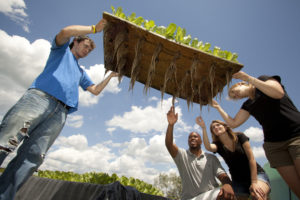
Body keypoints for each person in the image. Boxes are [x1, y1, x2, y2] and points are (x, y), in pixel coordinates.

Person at [0, 18, 118, 200]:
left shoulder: (81, 73)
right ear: (76, 42)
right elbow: (64, 32)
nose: (87, 51)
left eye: (89, 50)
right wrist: (93, 29)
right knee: (7, 140)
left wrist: (110, 76)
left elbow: (94, 90)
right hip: (39, 99)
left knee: (33, 157)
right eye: (86, 46)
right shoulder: (61, 52)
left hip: (60, 113)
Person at [211, 71, 300, 198]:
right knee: (297, 188)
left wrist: (249, 78)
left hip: (296, 136)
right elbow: (234, 123)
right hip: (274, 146)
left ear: (241, 83)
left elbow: (278, 93)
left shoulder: (263, 81)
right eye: (234, 97)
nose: (235, 95)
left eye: (234, 92)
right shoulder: (248, 104)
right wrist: (218, 108)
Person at [165, 106, 236, 200]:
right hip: (190, 198)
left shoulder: (211, 158)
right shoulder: (182, 155)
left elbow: (222, 175)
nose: (192, 138)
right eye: (190, 137)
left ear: (201, 141)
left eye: (195, 136)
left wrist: (227, 185)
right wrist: (171, 125)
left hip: (211, 196)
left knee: (225, 193)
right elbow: (169, 144)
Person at [196, 116, 271, 200]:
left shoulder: (240, 136)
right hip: (238, 181)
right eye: (213, 128)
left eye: (218, 125)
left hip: (256, 175)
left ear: (225, 126)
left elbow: (251, 159)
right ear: (213, 132)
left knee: (257, 195)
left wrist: (254, 182)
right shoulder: (218, 145)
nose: (216, 127)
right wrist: (203, 128)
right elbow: (208, 147)